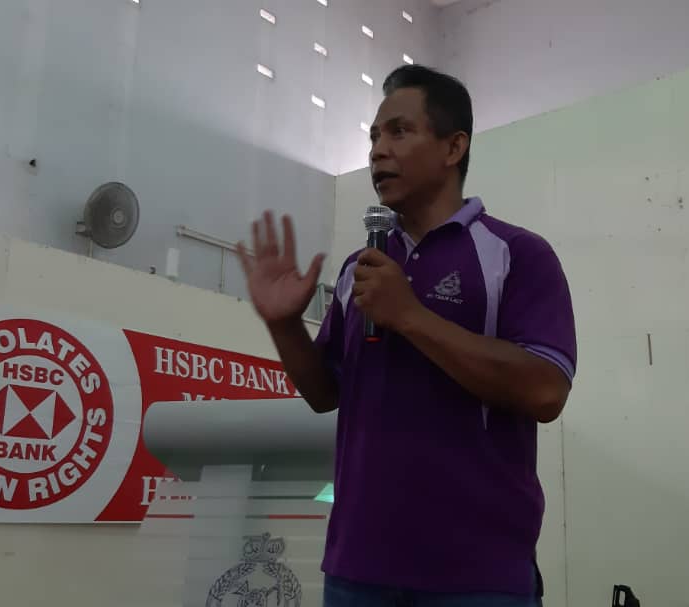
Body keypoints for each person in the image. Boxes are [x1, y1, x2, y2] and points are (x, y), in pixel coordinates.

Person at [236, 65, 577, 607]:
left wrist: (411, 316)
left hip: (478, 574)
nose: (378, 151)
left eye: (399, 131)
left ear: (453, 147)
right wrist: (283, 325)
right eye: (374, 136)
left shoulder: (517, 254)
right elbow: (324, 393)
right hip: (357, 569)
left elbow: (545, 391)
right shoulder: (360, 268)